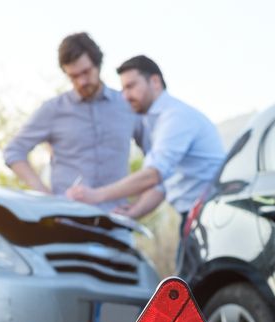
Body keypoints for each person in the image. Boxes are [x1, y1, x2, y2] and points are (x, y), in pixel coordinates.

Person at [66, 55, 225, 224]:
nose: (125, 96)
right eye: (123, 90)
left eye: (131, 86)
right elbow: (161, 185)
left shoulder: (176, 117)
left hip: (212, 215)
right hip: (196, 215)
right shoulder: (156, 122)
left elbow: (152, 176)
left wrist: (96, 195)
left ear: (155, 82)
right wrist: (134, 211)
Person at [3, 32, 137, 211]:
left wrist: (138, 208)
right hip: (68, 220)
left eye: (86, 72)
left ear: (98, 65)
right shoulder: (53, 109)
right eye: (73, 76)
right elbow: (14, 151)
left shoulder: (127, 105)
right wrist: (46, 198)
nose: (81, 81)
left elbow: (156, 161)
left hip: (116, 222)